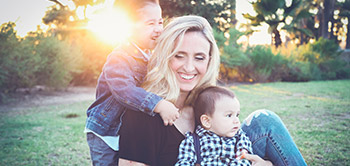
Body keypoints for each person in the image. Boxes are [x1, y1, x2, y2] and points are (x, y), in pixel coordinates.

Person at [118, 15, 307, 166]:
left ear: (209, 61)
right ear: (165, 57)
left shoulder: (206, 100)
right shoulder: (143, 114)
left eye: (199, 58)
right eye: (179, 56)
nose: (189, 67)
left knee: (265, 120)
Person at [84, 0, 180, 165]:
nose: (158, 29)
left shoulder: (149, 56)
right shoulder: (119, 57)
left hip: (124, 129)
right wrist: (159, 104)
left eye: (160, 22)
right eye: (150, 23)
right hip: (105, 130)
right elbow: (124, 91)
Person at [175, 86, 253, 166]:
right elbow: (184, 162)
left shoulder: (239, 137)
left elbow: (245, 159)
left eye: (237, 115)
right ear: (207, 121)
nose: (236, 120)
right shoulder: (192, 141)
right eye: (229, 115)